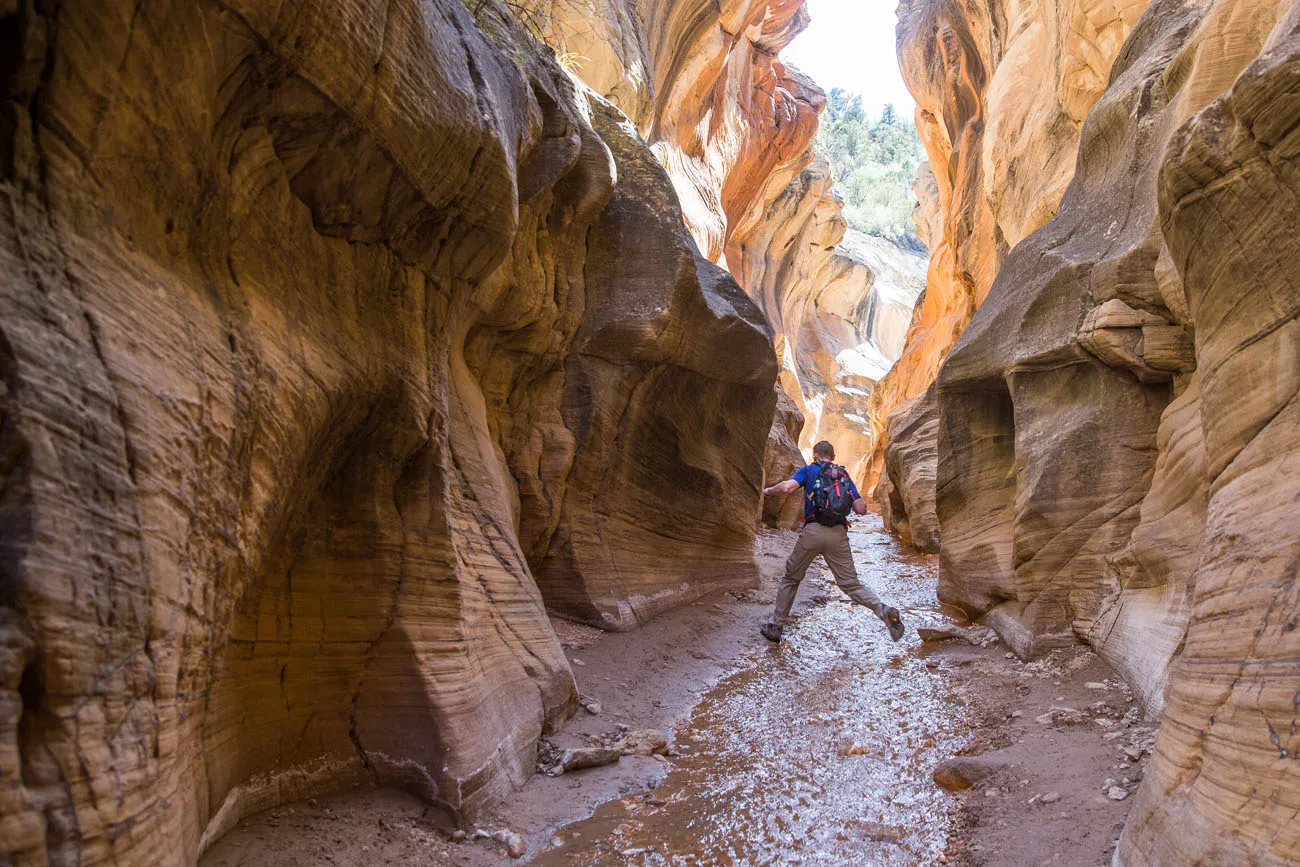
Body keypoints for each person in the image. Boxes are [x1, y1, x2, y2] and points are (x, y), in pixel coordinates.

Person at [759, 440, 905, 643]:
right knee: (851, 585)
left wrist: (768, 491)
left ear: (815, 455)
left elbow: (787, 488)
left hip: (812, 531)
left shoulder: (809, 470)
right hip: (838, 534)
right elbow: (861, 509)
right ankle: (883, 610)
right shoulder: (843, 475)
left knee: (792, 578)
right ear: (833, 457)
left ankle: (776, 625)